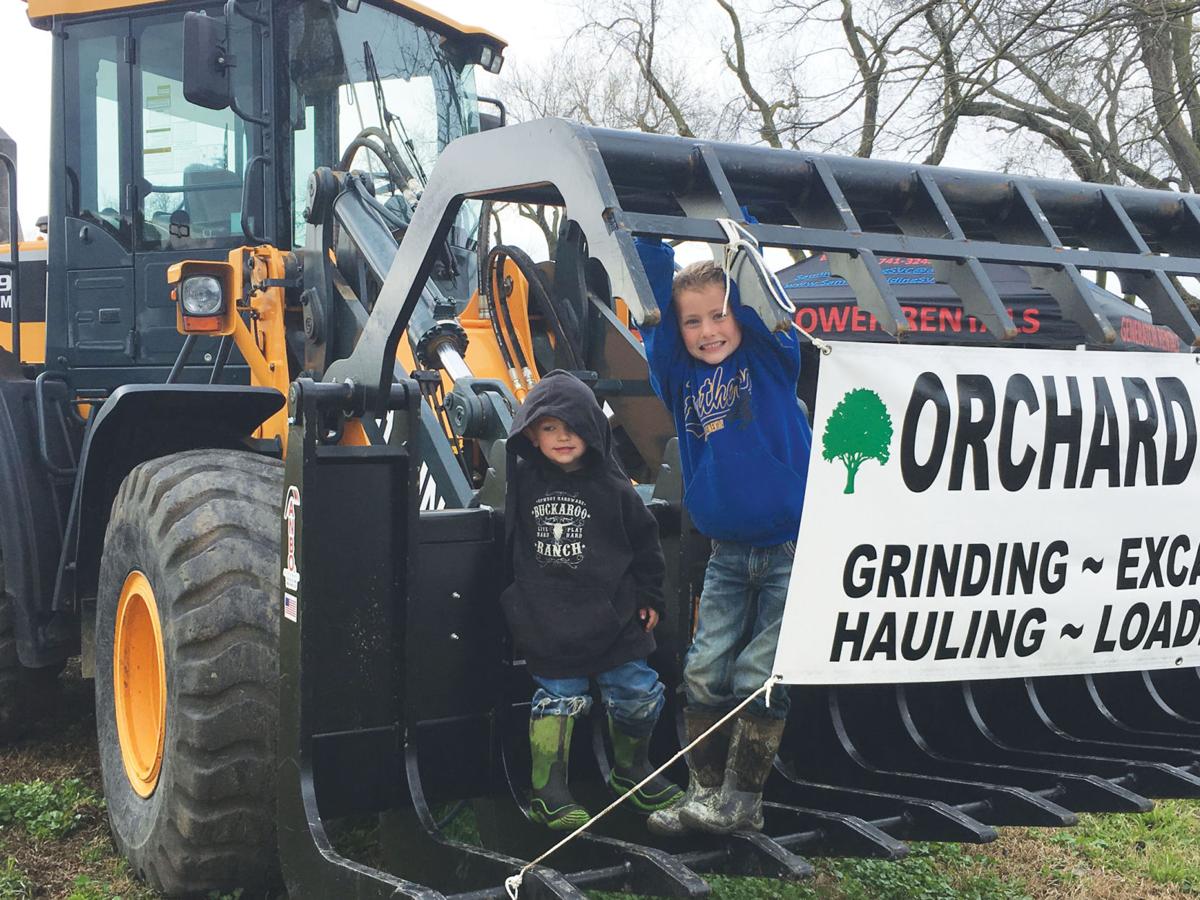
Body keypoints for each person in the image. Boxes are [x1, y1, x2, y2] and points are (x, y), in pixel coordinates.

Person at [635, 240, 811, 835]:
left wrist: (741, 244)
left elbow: (766, 304)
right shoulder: (679, 377)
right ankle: (704, 796)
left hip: (791, 551)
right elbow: (655, 317)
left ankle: (744, 800)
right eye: (694, 321)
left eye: (719, 315)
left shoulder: (768, 360)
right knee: (704, 671)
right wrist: (646, 245)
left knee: (758, 676)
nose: (708, 330)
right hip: (728, 556)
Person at [501, 370, 684, 830]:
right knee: (558, 700)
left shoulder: (615, 487)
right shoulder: (520, 482)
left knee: (638, 692)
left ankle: (631, 770)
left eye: (573, 427)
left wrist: (650, 596)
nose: (562, 437)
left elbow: (646, 546)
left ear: (594, 429)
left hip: (615, 617)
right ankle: (549, 790)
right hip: (549, 620)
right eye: (548, 428)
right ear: (529, 433)